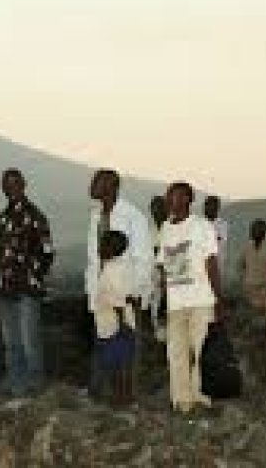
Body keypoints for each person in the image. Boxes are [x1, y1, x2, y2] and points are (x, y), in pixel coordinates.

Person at [157, 182, 223, 414]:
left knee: (203, 351)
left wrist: (218, 297)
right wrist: (163, 302)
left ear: (186, 199)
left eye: (173, 196)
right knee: (176, 353)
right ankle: (182, 402)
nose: (168, 200)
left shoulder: (202, 226)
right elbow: (164, 268)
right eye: (168, 196)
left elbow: (211, 263)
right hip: (176, 303)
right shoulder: (165, 228)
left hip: (201, 300)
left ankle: (201, 398)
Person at [85, 169, 152, 397]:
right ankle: (107, 395)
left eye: (97, 181)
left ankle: (126, 398)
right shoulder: (96, 216)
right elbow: (93, 259)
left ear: (112, 186)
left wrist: (136, 294)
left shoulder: (133, 216)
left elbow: (144, 259)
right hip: (103, 293)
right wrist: (92, 292)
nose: (92, 185)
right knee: (106, 345)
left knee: (126, 349)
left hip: (125, 295)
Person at [0, 168, 55, 396]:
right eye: (6, 184)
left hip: (27, 288)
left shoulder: (36, 216)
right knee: (11, 342)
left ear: (23, 185)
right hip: (5, 287)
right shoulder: (2, 218)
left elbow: (47, 251)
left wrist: (33, 275)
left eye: (14, 183)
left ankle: (35, 386)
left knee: (30, 340)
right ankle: (15, 383)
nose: (10, 188)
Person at [94, 230, 136, 406]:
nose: (99, 247)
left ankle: (122, 396)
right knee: (117, 363)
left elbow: (119, 300)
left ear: (111, 249)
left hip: (115, 325)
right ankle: (121, 395)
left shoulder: (114, 269)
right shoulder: (112, 267)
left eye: (103, 244)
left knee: (118, 364)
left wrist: (122, 325)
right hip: (110, 323)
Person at [237, 219, 266, 346]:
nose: (253, 232)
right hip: (250, 291)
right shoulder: (246, 248)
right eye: (252, 229)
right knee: (253, 321)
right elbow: (240, 266)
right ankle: (254, 345)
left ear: (264, 232)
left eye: (256, 230)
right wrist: (244, 281)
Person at [149, 195, 169, 339]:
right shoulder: (150, 232)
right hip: (154, 281)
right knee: (156, 317)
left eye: (160, 209)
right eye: (154, 210)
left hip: (170, 281)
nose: (157, 213)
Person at [203, 196, 229, 279]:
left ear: (217, 208)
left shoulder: (222, 224)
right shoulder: (198, 223)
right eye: (206, 205)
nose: (207, 208)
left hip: (216, 265)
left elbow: (219, 240)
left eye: (211, 206)